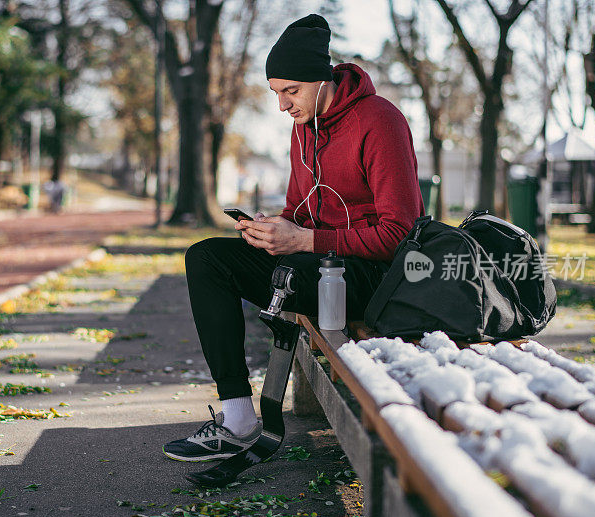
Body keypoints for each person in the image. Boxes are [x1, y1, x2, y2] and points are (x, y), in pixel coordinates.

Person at [162, 13, 424, 462]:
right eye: (275, 93)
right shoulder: (303, 130)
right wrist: (268, 230)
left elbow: (399, 235)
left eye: (291, 91)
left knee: (291, 267)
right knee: (206, 258)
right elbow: (297, 213)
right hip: (312, 266)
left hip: (373, 277)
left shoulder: (380, 121)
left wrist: (303, 241)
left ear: (322, 81)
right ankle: (238, 417)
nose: (283, 105)